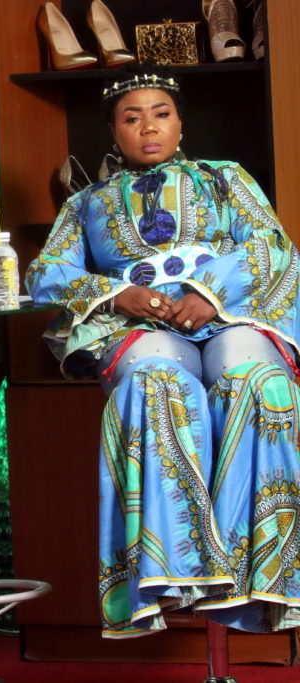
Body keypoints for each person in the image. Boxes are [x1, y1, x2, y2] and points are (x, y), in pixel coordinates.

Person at [26, 63, 300, 638]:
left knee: (259, 381)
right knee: (157, 383)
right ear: (113, 131)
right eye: (132, 118)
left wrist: (210, 293)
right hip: (143, 326)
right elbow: (45, 273)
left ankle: (260, 572)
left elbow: (273, 247)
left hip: (227, 313)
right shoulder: (86, 203)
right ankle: (178, 574)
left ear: (180, 124)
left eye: (161, 114)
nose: (148, 128)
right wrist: (116, 293)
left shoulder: (224, 178)